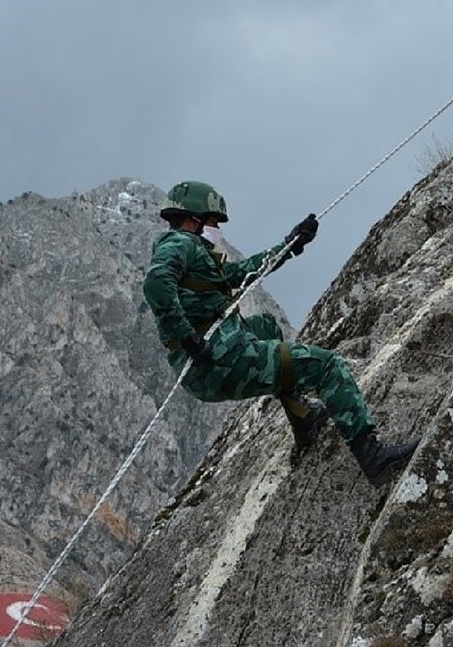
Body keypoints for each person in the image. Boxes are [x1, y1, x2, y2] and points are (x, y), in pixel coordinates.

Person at [142, 180, 417, 486]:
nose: (217, 227)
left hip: (208, 365)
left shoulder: (196, 255)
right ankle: (375, 459)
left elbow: (243, 273)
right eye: (213, 221)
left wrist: (290, 244)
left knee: (265, 326)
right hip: (217, 360)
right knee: (326, 365)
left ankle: (303, 417)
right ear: (194, 219)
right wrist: (187, 336)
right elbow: (155, 283)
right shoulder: (181, 243)